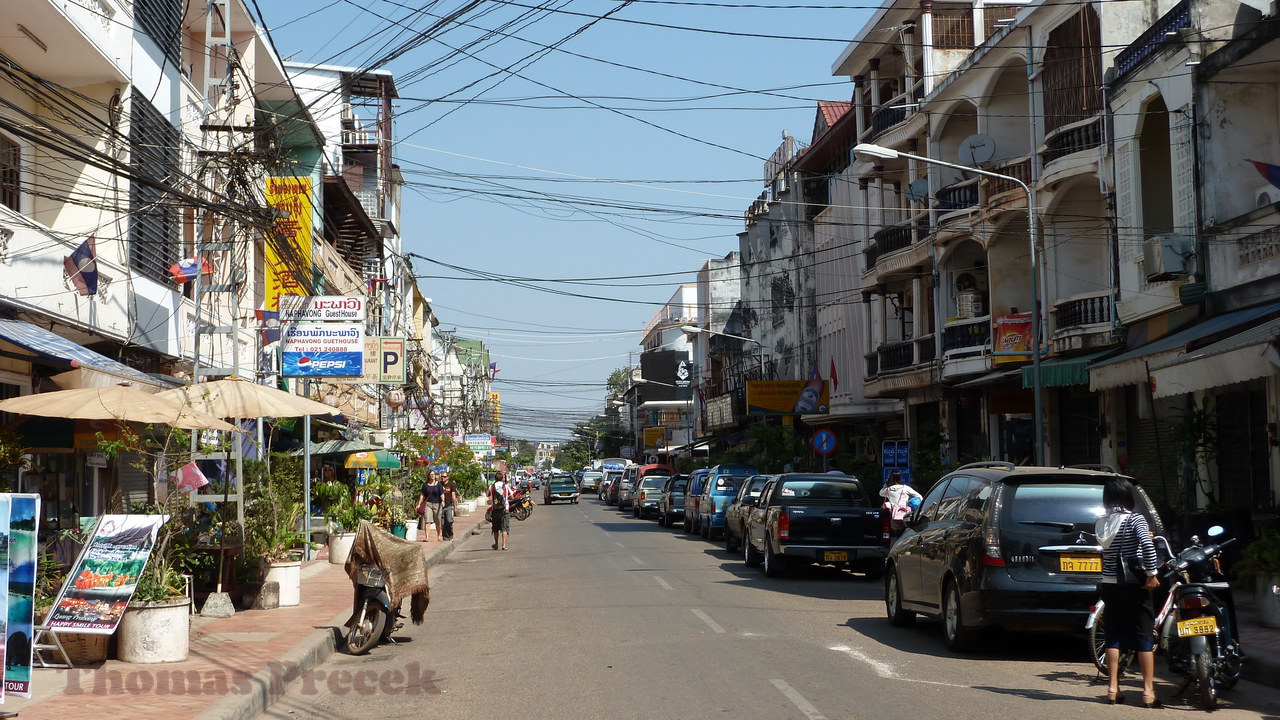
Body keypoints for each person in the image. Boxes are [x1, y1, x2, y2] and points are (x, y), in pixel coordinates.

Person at [1096, 476, 1161, 708]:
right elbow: (1147, 545)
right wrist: (1152, 574)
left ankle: (1113, 688)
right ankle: (1148, 691)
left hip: (1109, 584)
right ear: (1127, 496)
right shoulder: (1135, 519)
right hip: (1134, 584)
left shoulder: (1102, 521)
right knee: (1144, 636)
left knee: (1113, 636)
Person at [879, 470, 922, 534]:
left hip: (893, 515)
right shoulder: (906, 488)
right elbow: (920, 497)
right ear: (900, 478)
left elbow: (880, 493)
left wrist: (886, 484)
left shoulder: (888, 489)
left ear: (891, 478)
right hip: (905, 514)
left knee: (895, 533)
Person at [417, 470, 445, 542]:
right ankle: (427, 537)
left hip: (437, 504)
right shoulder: (425, 485)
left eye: (434, 474)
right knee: (427, 521)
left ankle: (439, 536)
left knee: (437, 520)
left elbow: (442, 494)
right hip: (428, 504)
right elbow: (422, 495)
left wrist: (443, 501)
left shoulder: (439, 485)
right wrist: (419, 504)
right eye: (431, 474)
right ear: (428, 476)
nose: (433, 476)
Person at [488, 471, 512, 550]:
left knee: (495, 528)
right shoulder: (505, 486)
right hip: (505, 509)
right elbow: (511, 496)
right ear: (502, 478)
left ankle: (496, 544)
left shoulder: (491, 487)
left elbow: (488, 495)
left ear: (495, 478)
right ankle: (504, 545)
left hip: (495, 509)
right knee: (504, 528)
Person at [440, 471, 459, 541]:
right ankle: (445, 537)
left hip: (448, 506)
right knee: (442, 523)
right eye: (441, 476)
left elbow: (453, 497)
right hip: (440, 507)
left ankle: (450, 535)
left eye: (444, 476)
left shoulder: (451, 485)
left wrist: (455, 507)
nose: (442, 478)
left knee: (449, 521)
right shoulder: (439, 485)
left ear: (448, 477)